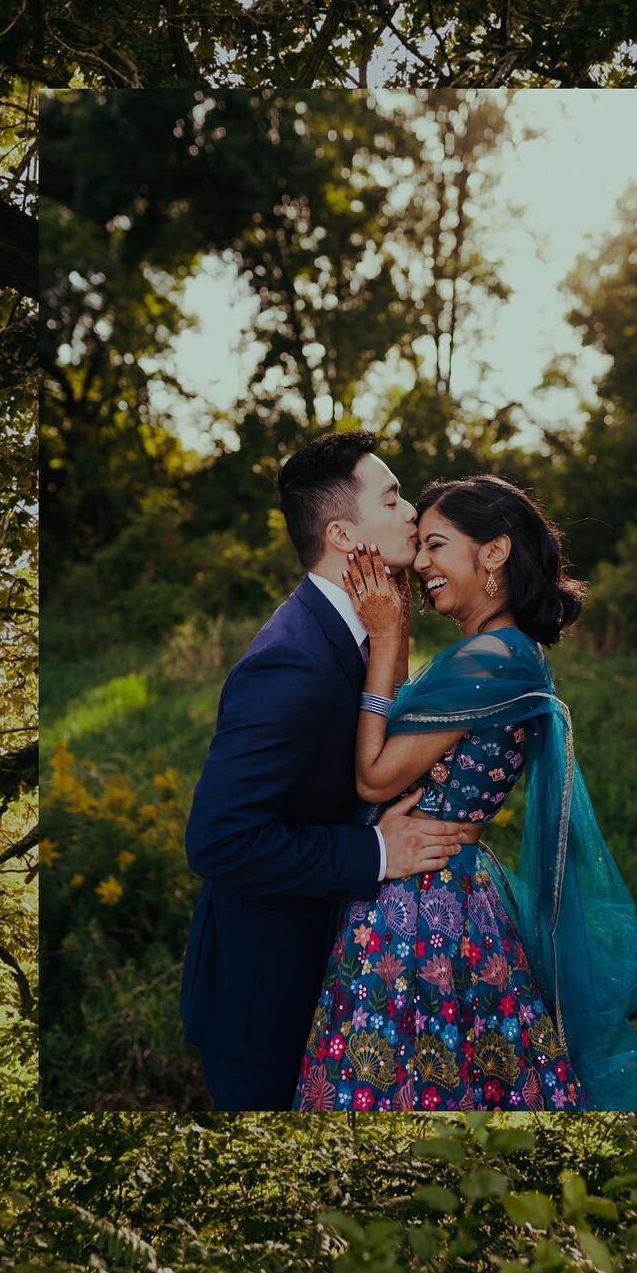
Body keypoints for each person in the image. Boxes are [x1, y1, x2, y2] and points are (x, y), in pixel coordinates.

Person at [293, 474, 637, 1112]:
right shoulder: (506, 652)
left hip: (415, 902)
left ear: (494, 553)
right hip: (455, 886)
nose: (421, 561)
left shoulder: (489, 657)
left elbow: (375, 775)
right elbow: (408, 728)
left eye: (436, 545)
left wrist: (381, 642)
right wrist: (397, 635)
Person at [181, 431, 480, 1110]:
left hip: (337, 974)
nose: (414, 514)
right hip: (266, 998)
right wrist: (378, 850)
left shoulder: (359, 628)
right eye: (394, 498)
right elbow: (219, 840)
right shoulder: (290, 661)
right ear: (345, 535)